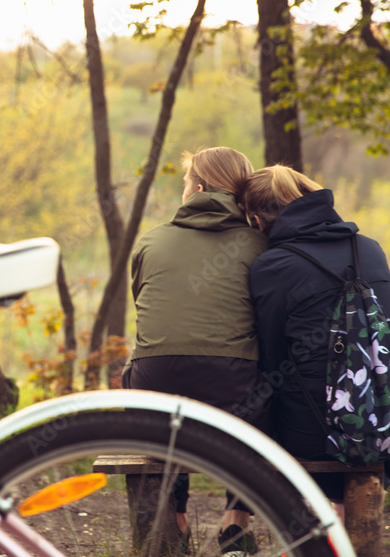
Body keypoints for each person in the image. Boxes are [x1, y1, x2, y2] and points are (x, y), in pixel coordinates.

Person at [243, 165, 390, 517]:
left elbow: (271, 363)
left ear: (257, 222)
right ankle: (343, 519)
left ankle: (305, 527)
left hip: (316, 436)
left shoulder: (272, 266)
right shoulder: (369, 249)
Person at [125, 147, 267, 556]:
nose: (184, 188)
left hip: (155, 383)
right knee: (266, 388)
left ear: (199, 187)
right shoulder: (259, 245)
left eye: (186, 181)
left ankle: (177, 522)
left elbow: (148, 310)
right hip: (233, 389)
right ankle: (235, 524)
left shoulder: (152, 240)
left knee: (164, 387)